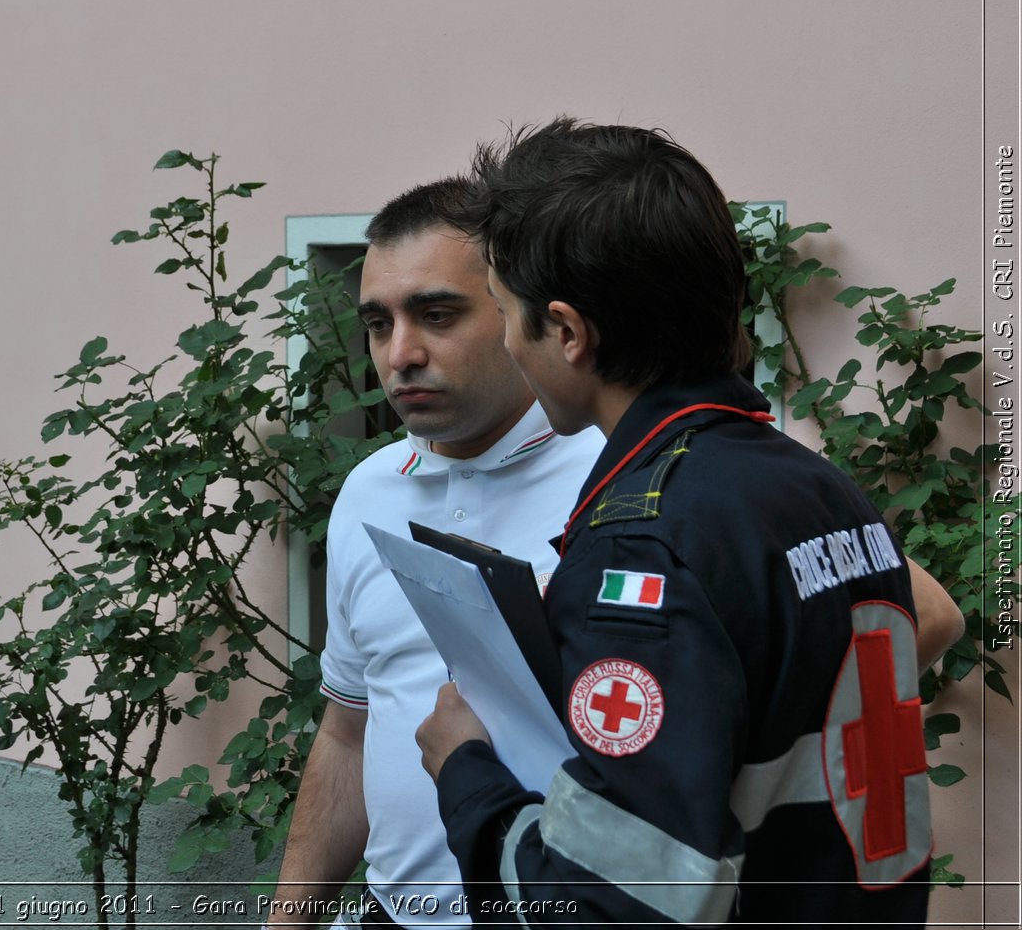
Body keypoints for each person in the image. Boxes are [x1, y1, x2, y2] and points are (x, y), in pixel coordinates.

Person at [416, 119, 945, 924]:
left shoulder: (647, 542)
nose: (512, 347)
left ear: (566, 331)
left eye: (503, 312)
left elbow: (611, 906)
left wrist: (466, 774)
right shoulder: (818, 487)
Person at [265, 179, 607, 928]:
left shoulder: (627, 474)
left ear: (519, 313)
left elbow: (916, 612)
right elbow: (348, 733)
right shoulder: (367, 491)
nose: (401, 352)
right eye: (378, 323)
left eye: (437, 313)